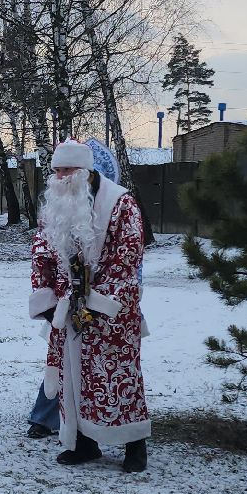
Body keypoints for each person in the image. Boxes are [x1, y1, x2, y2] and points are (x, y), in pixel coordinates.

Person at [28, 139, 150, 473]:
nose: (60, 177)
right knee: (71, 378)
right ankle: (83, 443)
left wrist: (97, 301)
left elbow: (127, 256)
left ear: (86, 171)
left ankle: (134, 445)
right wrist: (47, 297)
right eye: (56, 170)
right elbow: (41, 252)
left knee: (118, 376)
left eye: (67, 169)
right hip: (68, 310)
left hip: (112, 311)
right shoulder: (55, 206)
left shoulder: (121, 203)